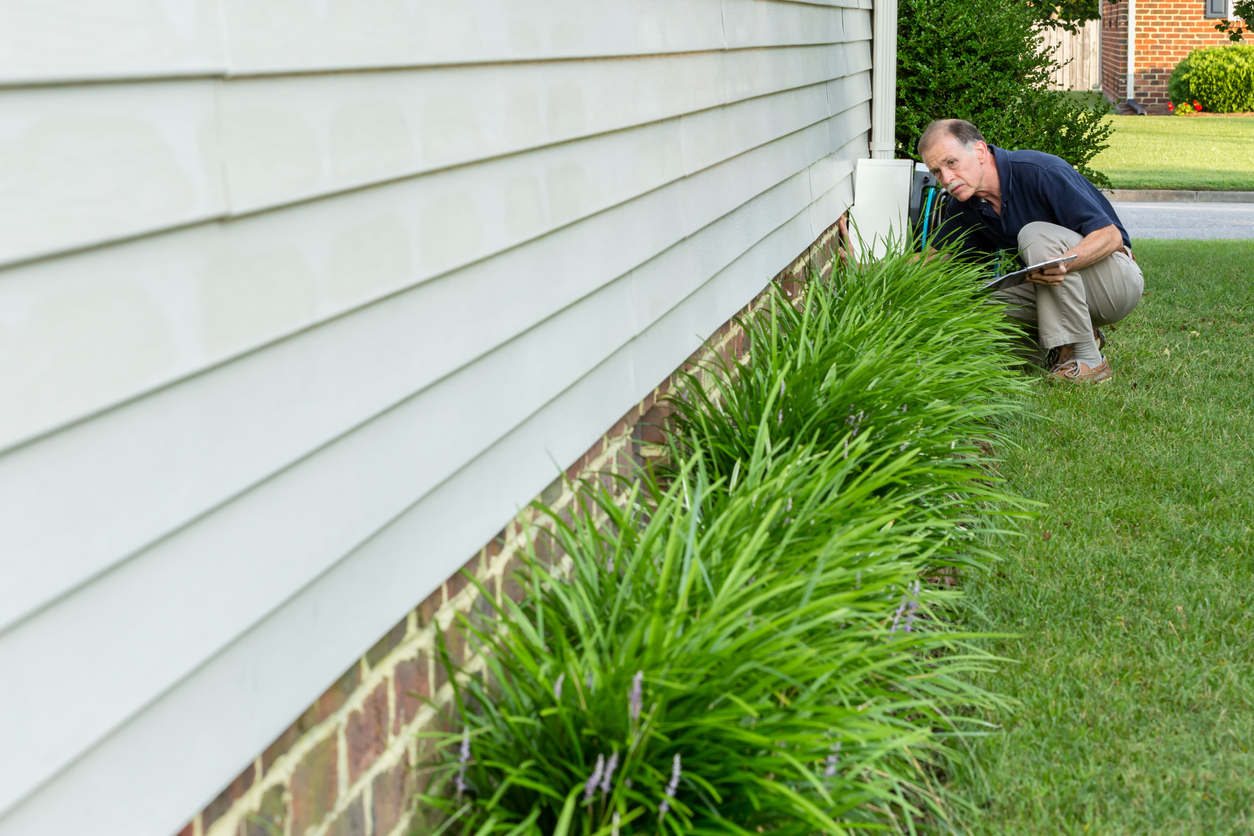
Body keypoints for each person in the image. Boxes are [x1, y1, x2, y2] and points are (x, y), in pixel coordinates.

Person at [919, 119, 1143, 383]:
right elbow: (930, 261)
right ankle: (1043, 355)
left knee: (1034, 234)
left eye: (951, 163)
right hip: (1057, 290)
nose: (946, 179)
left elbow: (1112, 236)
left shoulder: (1039, 171)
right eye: (936, 172)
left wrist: (1065, 264)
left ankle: (1089, 361)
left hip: (1115, 283)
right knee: (977, 305)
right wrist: (868, 269)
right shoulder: (964, 205)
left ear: (979, 151)